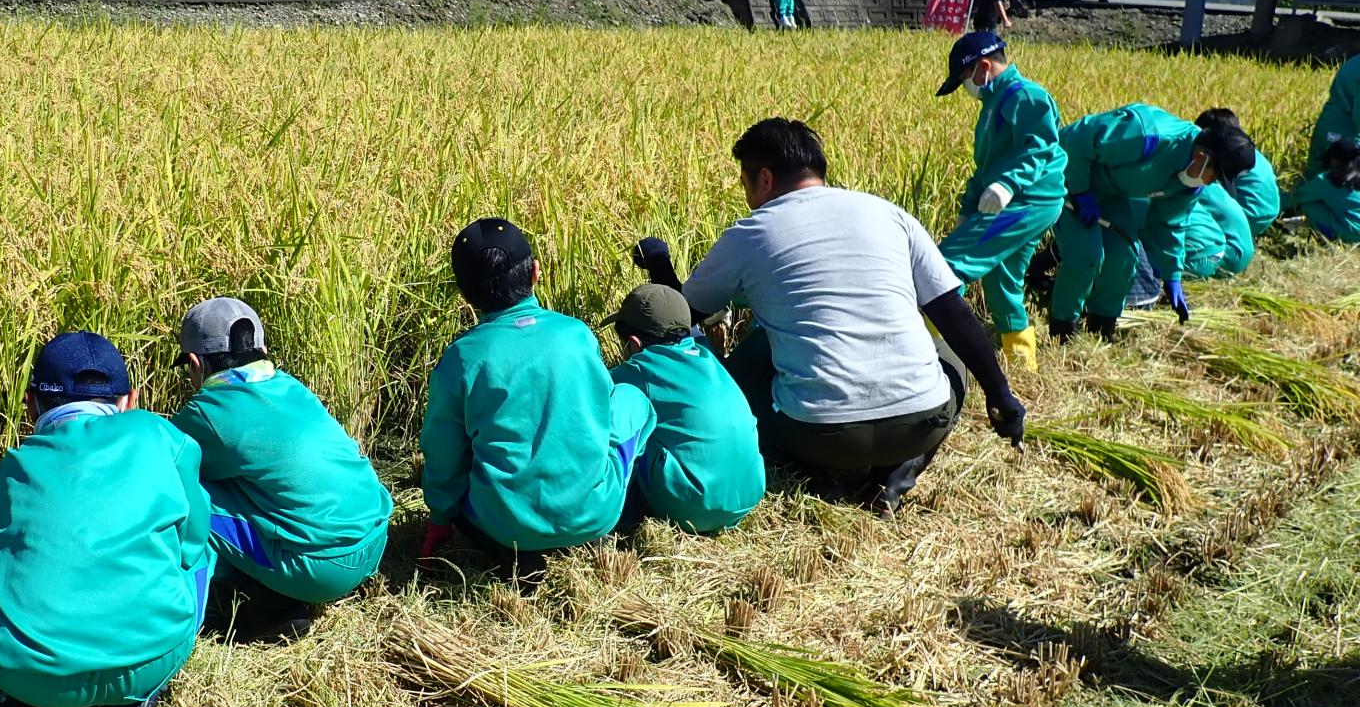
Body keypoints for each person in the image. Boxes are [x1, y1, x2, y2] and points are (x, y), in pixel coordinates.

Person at [635, 117, 1026, 514]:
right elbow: (953, 313)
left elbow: (680, 318)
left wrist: (659, 263)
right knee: (951, 355)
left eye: (745, 183)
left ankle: (815, 470)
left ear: (764, 179)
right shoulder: (889, 214)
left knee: (759, 348)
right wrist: (1000, 394)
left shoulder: (751, 232)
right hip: (919, 425)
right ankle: (894, 479)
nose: (748, 197)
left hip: (817, 433)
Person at [0, 331, 212, 707]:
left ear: (30, 402)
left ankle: (0, 694)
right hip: (154, 658)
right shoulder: (161, 436)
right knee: (202, 552)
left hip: (32, 677)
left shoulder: (19, 464)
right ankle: (141, 699)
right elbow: (192, 542)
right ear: (131, 399)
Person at [419, 217, 655, 568]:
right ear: (536, 272)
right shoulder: (576, 335)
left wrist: (440, 517)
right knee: (634, 400)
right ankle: (638, 505)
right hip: (594, 516)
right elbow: (602, 411)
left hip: (503, 525)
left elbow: (443, 453)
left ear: (465, 294)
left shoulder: (462, 359)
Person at [170, 297, 391, 630]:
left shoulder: (206, 410)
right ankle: (269, 583)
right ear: (263, 348)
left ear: (195, 363)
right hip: (375, 541)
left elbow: (166, 472)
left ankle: (247, 603)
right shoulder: (292, 387)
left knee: (183, 494)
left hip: (321, 571)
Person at [1049, 105, 1257, 339]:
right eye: (1215, 175)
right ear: (1201, 157)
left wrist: (1172, 275)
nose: (1210, 183)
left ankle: (1101, 330)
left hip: (1109, 194)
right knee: (1087, 256)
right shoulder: (1146, 134)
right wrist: (1079, 191)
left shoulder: (1188, 183)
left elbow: (1170, 224)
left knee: (1125, 257)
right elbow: (1078, 141)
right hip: (1067, 173)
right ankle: (1062, 331)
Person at [933, 30, 1067, 371]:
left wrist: (1008, 185)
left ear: (983, 67)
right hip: (1016, 201)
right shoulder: (993, 103)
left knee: (945, 268)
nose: (967, 88)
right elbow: (986, 167)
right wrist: (967, 208)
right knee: (1000, 278)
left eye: (964, 79)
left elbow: (1040, 147)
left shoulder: (1026, 96)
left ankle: (924, 351)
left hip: (1027, 201)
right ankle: (1023, 365)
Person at [603, 283, 764, 533]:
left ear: (634, 344)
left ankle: (623, 520)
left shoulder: (641, 369)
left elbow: (595, 403)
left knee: (630, 424)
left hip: (694, 509)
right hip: (747, 496)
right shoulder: (707, 357)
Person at [1292, 140, 1360, 243]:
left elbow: (1297, 197)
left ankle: (1329, 237)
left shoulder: (1325, 182)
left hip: (1351, 235)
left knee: (1310, 205)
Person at [1303, 53, 1358, 177]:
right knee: (1341, 189)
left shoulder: (1355, 62)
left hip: (1327, 130)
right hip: (1343, 139)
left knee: (1312, 184)